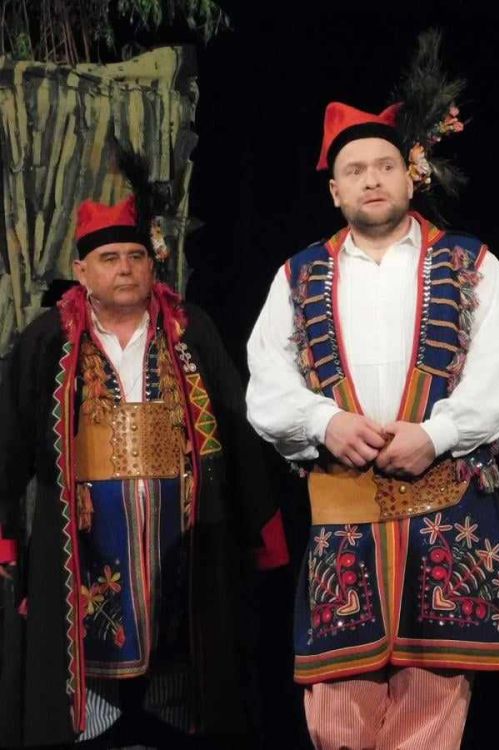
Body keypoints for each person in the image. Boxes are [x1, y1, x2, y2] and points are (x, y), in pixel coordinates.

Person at [245, 32, 499, 750]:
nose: (371, 180)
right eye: (354, 170)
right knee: (337, 713)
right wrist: (323, 423)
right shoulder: (299, 274)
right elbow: (267, 382)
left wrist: (436, 434)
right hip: (344, 510)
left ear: (411, 176)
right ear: (334, 190)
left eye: (384, 166)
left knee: (433, 712)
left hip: (445, 511)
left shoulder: (471, 263)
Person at [0, 172, 288, 748]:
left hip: (179, 533)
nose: (125, 269)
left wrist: (262, 526)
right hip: (85, 538)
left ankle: (171, 718)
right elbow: (8, 439)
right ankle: (94, 723)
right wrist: (6, 536)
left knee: (183, 653)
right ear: (82, 270)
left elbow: (235, 423)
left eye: (136, 256)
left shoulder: (190, 331)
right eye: (109, 259)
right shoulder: (48, 341)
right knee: (87, 660)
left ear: (153, 265)